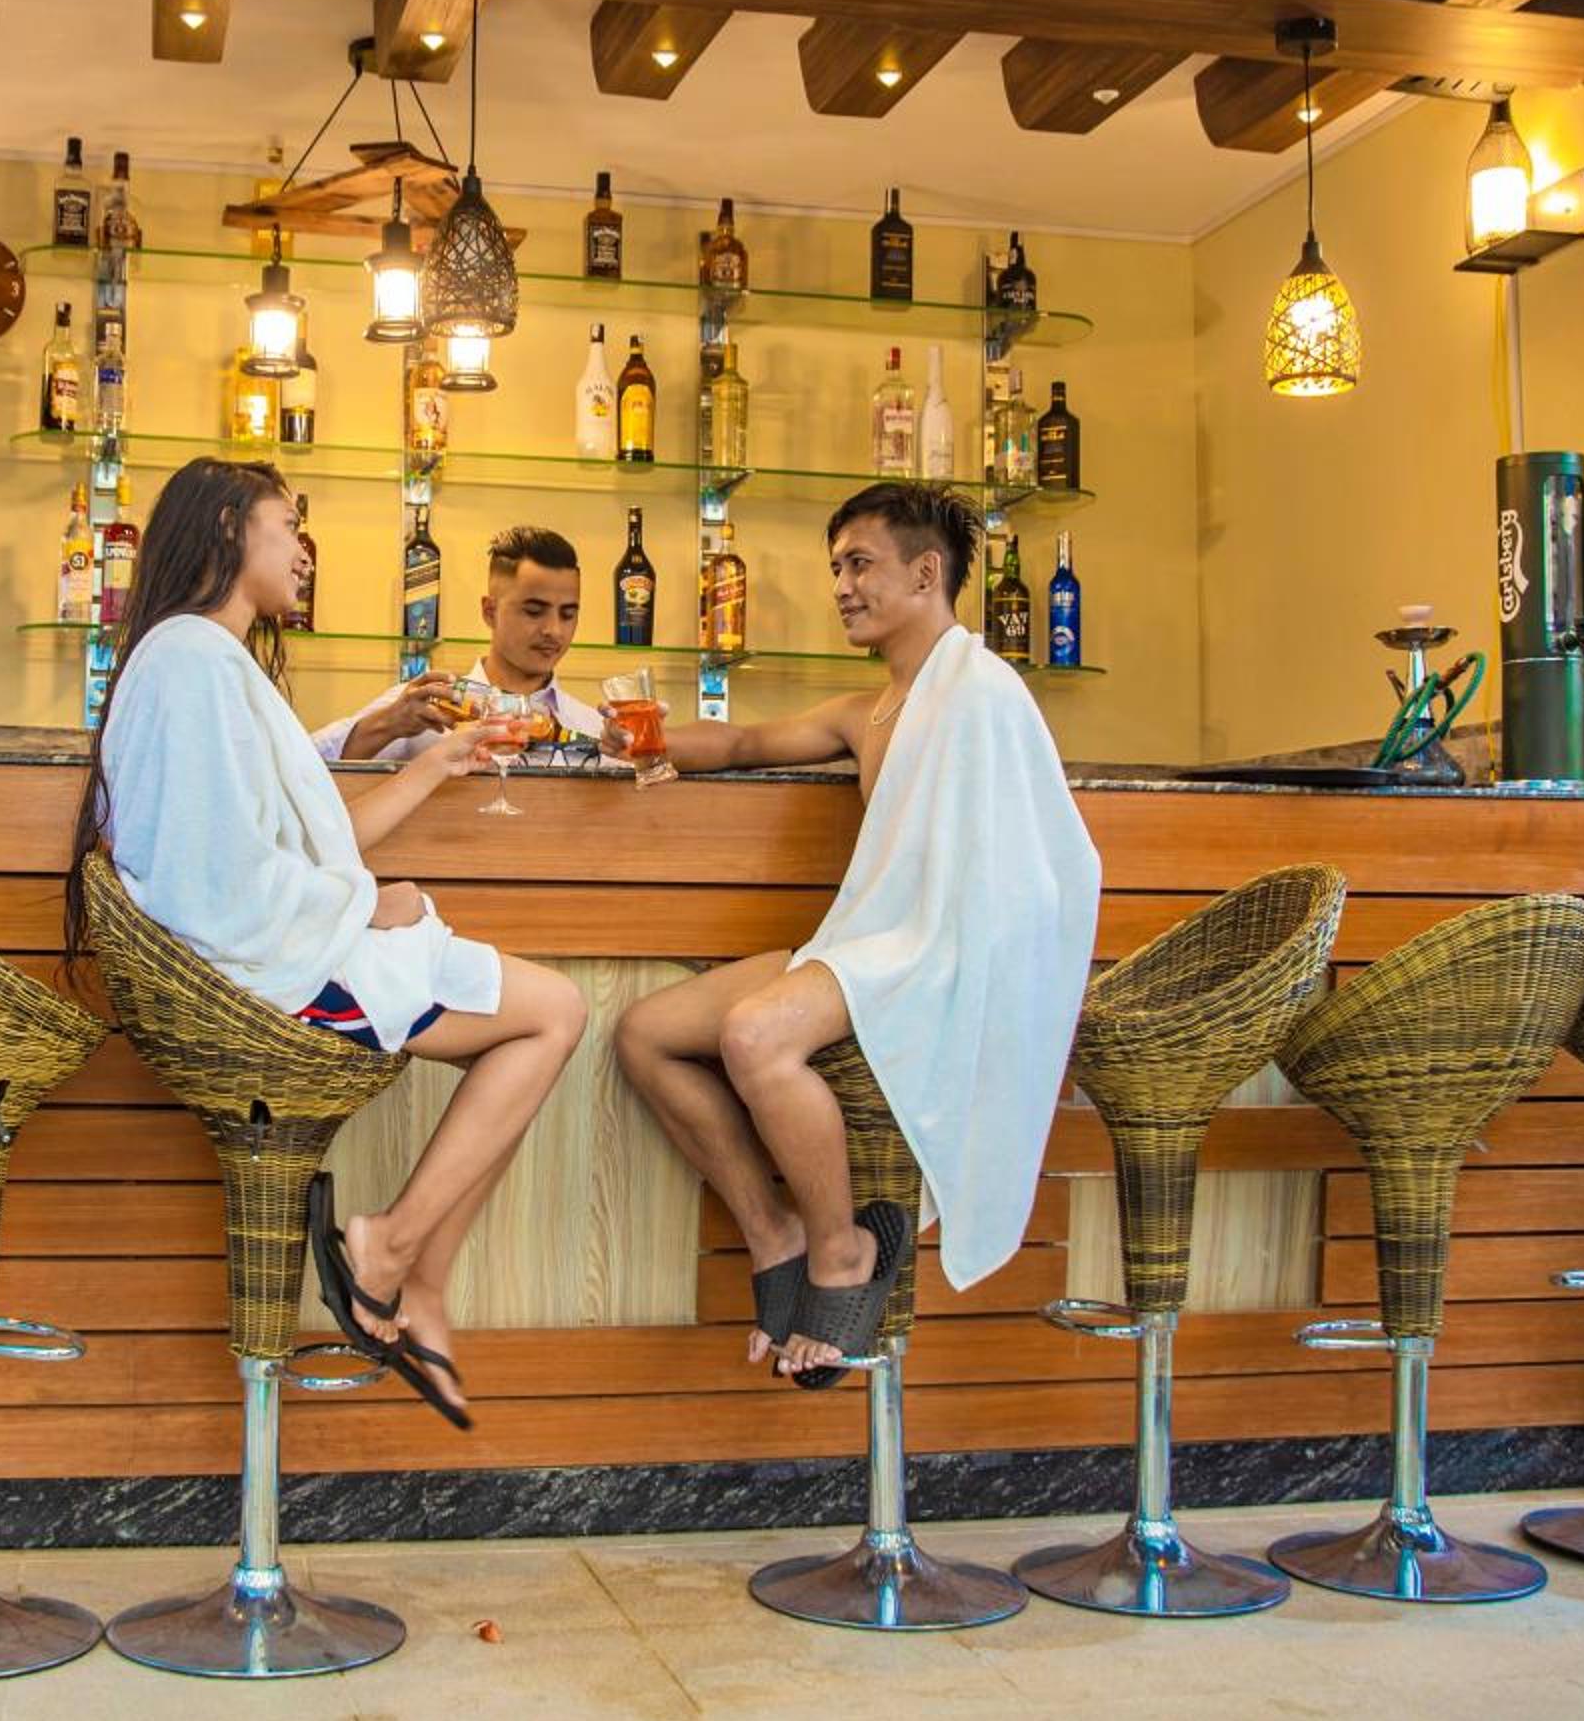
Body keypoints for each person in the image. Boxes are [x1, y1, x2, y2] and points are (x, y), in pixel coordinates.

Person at [68, 457, 586, 1427]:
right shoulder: (192, 661)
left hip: (269, 956)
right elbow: (212, 876)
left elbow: (305, 841)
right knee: (552, 1013)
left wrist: (439, 759)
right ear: (231, 529)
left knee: (548, 1012)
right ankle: (393, 1253)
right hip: (265, 981)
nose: (305, 551)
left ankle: (413, 1271)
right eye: (288, 526)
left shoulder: (205, 658)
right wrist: (361, 909)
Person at [608, 482, 1100, 1383]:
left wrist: (968, 957)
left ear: (926, 573)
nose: (841, 586)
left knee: (755, 1035)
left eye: (860, 564)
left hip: (934, 950)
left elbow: (1050, 864)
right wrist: (650, 743)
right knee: (647, 1034)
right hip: (867, 943)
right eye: (837, 567)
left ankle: (843, 1249)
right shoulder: (868, 709)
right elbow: (745, 742)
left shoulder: (984, 691)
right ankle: (776, 1232)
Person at [312, 525, 606, 763]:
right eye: (533, 611)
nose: (554, 630)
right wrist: (387, 725)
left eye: (568, 614)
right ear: (489, 611)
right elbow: (305, 765)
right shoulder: (421, 707)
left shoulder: (594, 730)